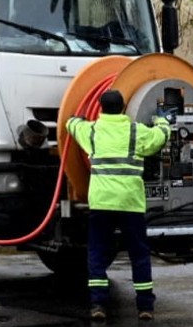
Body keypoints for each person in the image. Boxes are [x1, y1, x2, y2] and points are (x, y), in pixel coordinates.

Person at [66, 89, 170, 322]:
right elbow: (162, 135)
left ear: (101, 108)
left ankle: (98, 305)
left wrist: (78, 117)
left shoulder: (92, 131)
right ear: (124, 108)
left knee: (97, 253)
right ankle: (145, 307)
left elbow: (70, 124)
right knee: (139, 254)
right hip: (130, 203)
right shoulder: (136, 132)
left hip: (102, 203)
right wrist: (160, 118)